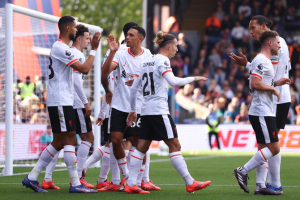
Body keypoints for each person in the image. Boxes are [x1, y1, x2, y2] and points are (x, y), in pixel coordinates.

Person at [125, 31, 211, 194]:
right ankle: (190, 182)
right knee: (174, 145)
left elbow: (134, 88)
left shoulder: (145, 62)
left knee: (141, 147)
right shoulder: (163, 61)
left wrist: (133, 110)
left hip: (146, 111)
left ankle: (130, 183)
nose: (177, 50)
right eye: (176, 47)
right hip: (159, 111)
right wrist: (193, 78)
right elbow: (172, 81)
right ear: (169, 47)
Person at [22, 15, 100, 193]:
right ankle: (75, 183)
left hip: (63, 100)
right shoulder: (60, 48)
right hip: (60, 100)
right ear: (67, 29)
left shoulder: (64, 48)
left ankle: (32, 177)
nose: (75, 30)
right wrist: (94, 50)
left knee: (58, 141)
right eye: (74, 27)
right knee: (70, 139)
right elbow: (84, 68)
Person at [230, 15, 292, 195]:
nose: (250, 32)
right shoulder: (273, 46)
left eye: (253, 27)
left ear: (264, 27)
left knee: (270, 145)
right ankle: (263, 184)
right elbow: (265, 76)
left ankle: (273, 183)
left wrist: (249, 66)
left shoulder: (275, 44)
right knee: (266, 144)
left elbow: (267, 78)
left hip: (277, 99)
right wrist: (248, 65)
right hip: (274, 96)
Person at [100, 26, 157, 191]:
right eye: (126, 34)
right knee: (115, 141)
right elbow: (104, 74)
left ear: (140, 39)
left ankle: (137, 181)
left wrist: (139, 81)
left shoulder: (148, 56)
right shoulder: (120, 53)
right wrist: (111, 52)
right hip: (119, 105)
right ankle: (126, 177)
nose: (127, 37)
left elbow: (154, 80)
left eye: (131, 35)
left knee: (140, 144)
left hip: (139, 107)